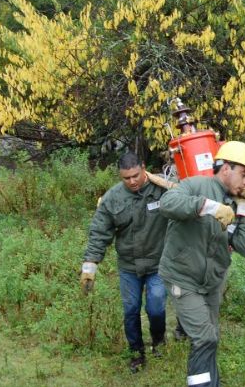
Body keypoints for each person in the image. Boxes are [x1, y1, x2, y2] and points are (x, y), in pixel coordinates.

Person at [158, 141, 245, 387]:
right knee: (204, 337)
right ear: (226, 168)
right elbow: (167, 204)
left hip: (212, 282)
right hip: (182, 278)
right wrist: (208, 206)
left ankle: (211, 383)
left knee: (210, 336)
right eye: (243, 174)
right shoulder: (195, 185)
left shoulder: (239, 202)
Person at [80, 152, 170, 373]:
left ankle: (158, 341)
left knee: (156, 307)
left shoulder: (163, 190)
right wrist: (89, 267)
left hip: (158, 263)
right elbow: (99, 232)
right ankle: (136, 353)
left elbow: (187, 203)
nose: (132, 181)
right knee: (130, 310)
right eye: (126, 178)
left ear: (143, 167)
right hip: (129, 266)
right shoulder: (112, 198)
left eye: (135, 176)